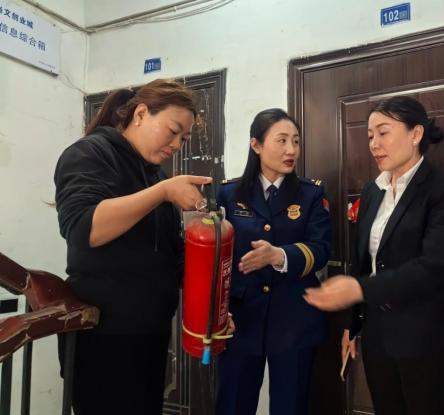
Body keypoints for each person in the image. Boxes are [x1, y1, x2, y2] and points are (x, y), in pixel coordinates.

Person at [54, 79, 232, 415]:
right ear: (140, 114)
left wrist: (214, 307)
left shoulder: (155, 177)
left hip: (150, 335)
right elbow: (83, 229)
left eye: (184, 139)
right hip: (103, 338)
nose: (176, 144)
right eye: (173, 131)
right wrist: (163, 193)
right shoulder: (90, 154)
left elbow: (172, 260)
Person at [304, 96, 444, 415]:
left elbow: (436, 266)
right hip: (379, 336)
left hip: (427, 337)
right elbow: (363, 262)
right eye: (369, 136)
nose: (374, 144)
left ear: (415, 134)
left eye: (383, 132)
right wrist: (353, 325)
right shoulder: (372, 191)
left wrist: (359, 289)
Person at [215, 108, 331, 415]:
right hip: (240, 320)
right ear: (256, 144)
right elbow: (217, 258)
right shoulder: (229, 194)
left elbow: (321, 250)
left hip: (294, 319)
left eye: (296, 141)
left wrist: (278, 256)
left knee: (290, 406)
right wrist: (216, 312)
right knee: (233, 404)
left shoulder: (311, 194)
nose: (291, 150)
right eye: (282, 140)